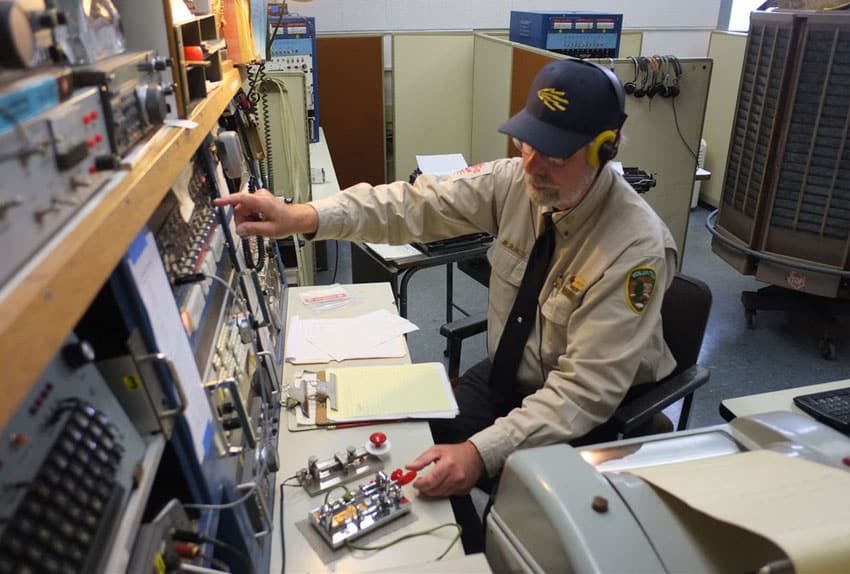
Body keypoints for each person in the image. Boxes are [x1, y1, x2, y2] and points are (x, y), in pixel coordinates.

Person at [215, 59, 677, 546]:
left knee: (506, 511)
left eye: (556, 155)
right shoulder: (515, 181)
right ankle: (464, 535)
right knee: (409, 445)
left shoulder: (635, 249)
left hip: (586, 411)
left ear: (605, 150)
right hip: (510, 376)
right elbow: (415, 205)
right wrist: (303, 217)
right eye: (527, 144)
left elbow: (584, 393)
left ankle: (479, 550)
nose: (533, 167)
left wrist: (479, 453)